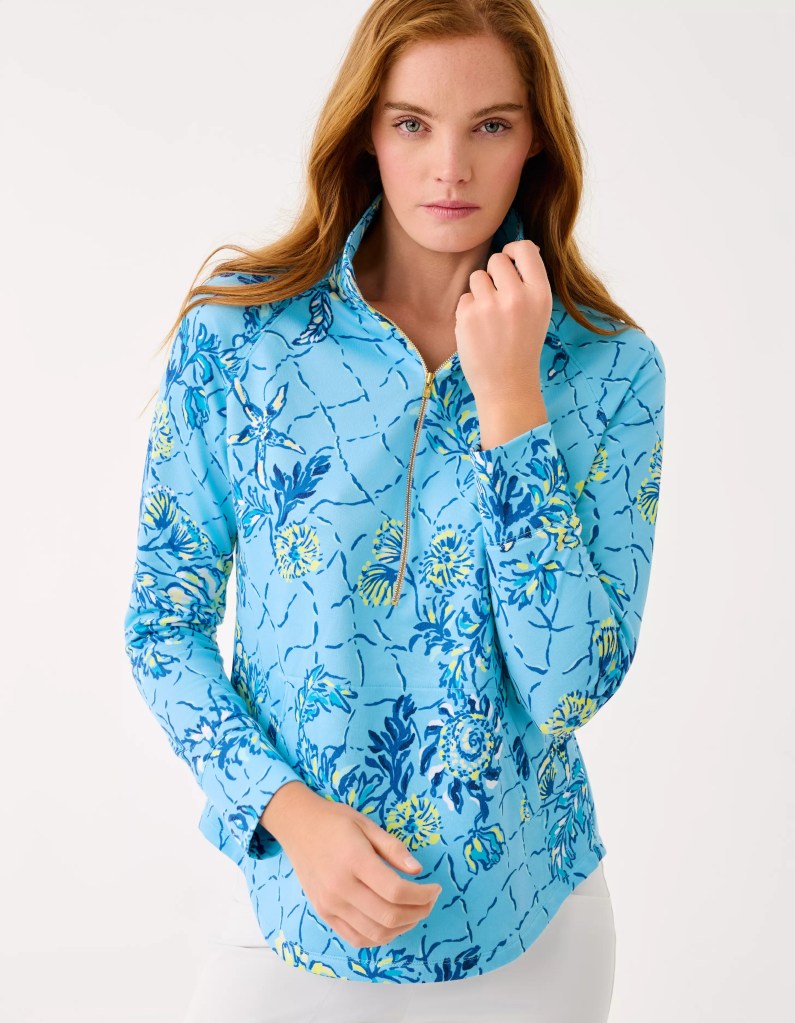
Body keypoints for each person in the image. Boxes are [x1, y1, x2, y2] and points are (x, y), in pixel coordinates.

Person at [123, 1, 665, 1020]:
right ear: (367, 130)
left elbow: (567, 689)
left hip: (529, 924)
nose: (449, 169)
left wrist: (512, 403)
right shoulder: (241, 339)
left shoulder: (610, 369)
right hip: (289, 912)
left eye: (490, 124)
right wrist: (288, 815)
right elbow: (162, 624)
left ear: (535, 139)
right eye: (413, 123)